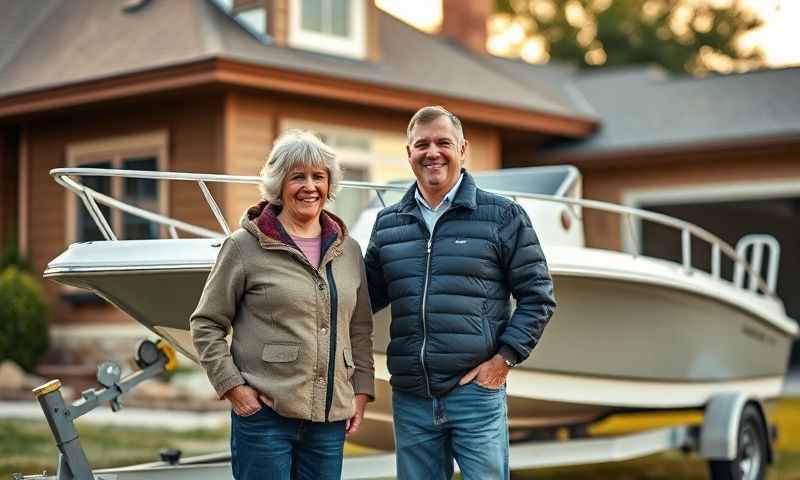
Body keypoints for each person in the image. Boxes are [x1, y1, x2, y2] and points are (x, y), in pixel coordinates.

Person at [364, 106, 556, 480]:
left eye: (443, 142)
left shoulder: (502, 216)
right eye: (421, 144)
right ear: (409, 154)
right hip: (411, 397)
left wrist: (502, 362)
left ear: (462, 148)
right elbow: (364, 298)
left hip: (475, 395)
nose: (432, 152)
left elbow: (538, 296)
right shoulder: (389, 224)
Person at [190, 130, 374, 480]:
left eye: (319, 177)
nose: (310, 186)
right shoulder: (244, 246)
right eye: (298, 177)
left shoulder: (348, 250)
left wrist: (361, 391)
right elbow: (206, 323)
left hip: (328, 420)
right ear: (278, 184)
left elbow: (360, 327)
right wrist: (234, 388)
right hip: (264, 418)